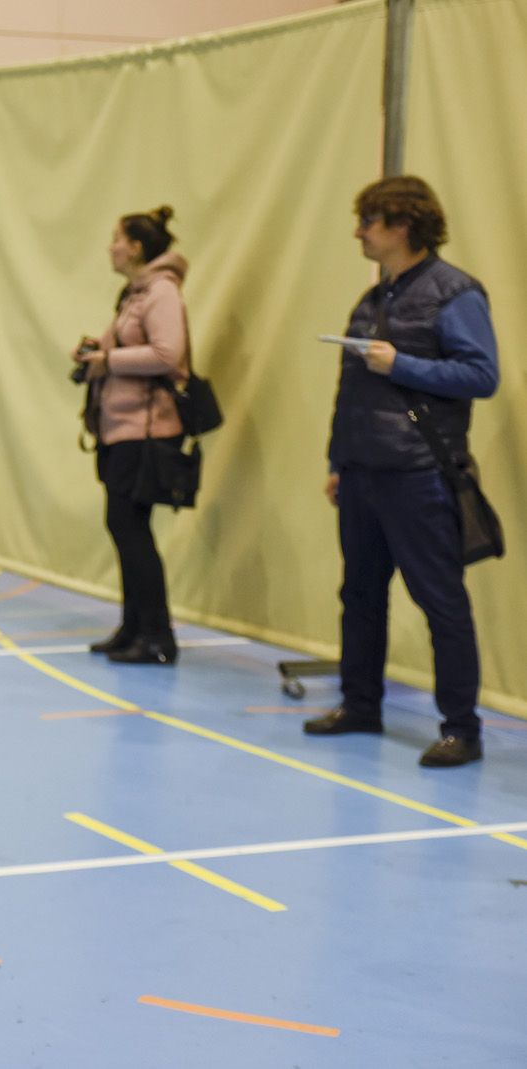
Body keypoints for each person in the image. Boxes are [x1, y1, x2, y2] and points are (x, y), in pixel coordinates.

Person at [302, 176, 499, 768]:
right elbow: (351, 389)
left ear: (402, 226)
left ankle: (461, 728)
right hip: (365, 473)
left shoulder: (454, 293)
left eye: (369, 221)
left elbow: (481, 375)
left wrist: (403, 364)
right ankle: (361, 704)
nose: (359, 232)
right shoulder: (373, 299)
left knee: (440, 601)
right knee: (359, 594)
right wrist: (339, 462)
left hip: (418, 475)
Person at [73, 205, 189, 665]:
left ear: (137, 247)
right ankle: (134, 627)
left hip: (145, 430)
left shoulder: (161, 291)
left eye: (117, 238)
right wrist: (96, 353)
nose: (111, 247)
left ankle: (159, 637)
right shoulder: (135, 293)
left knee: (131, 529)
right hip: (120, 427)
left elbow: (167, 353)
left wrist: (110, 361)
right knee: (124, 528)